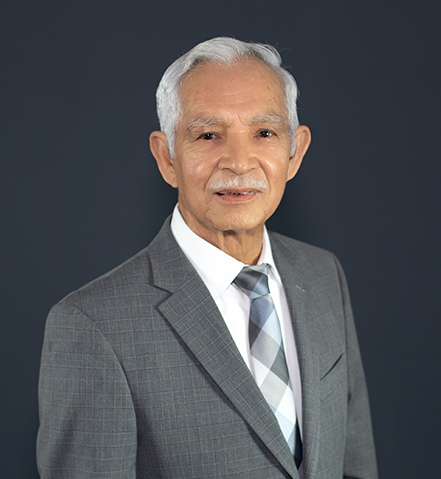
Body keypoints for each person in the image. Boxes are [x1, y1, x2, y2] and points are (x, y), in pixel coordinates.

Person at [37, 37, 378, 479]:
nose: (238, 162)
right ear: (167, 158)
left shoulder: (323, 274)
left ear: (295, 152)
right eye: (208, 135)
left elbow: (355, 465)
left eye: (264, 133)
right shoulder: (93, 326)